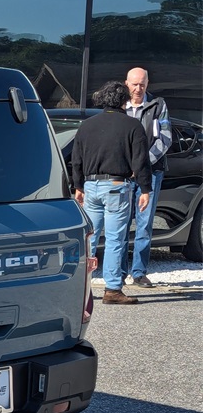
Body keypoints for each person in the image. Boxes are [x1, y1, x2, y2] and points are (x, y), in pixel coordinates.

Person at [70, 80, 152, 305]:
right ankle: (113, 290)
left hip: (90, 186)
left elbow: (76, 159)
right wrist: (145, 189)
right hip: (117, 186)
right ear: (124, 100)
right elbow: (141, 161)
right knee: (116, 239)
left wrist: (78, 186)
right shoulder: (132, 126)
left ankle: (80, 288)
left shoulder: (87, 126)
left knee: (89, 239)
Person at [122, 67, 172, 288]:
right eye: (134, 84)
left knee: (144, 224)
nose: (138, 89)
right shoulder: (119, 107)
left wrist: (142, 164)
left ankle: (139, 272)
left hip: (150, 173)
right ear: (127, 84)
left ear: (147, 84)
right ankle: (120, 271)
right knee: (121, 223)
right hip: (122, 174)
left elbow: (165, 138)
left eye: (142, 84)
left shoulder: (158, 105)